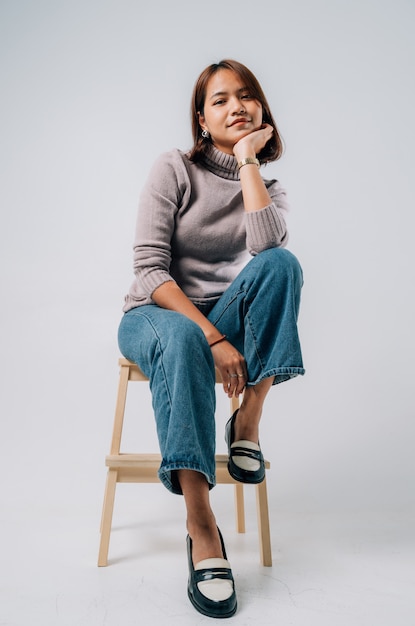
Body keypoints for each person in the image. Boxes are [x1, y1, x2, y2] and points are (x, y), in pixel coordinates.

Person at [118, 59, 305, 618]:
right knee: (180, 337)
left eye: (246, 97)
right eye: (220, 100)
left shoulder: (268, 189)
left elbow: (266, 250)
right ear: (201, 119)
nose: (236, 107)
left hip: (220, 315)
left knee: (283, 265)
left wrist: (247, 162)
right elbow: (150, 270)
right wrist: (213, 339)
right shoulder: (173, 167)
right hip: (156, 312)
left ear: (262, 110)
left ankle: (247, 420)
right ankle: (201, 526)